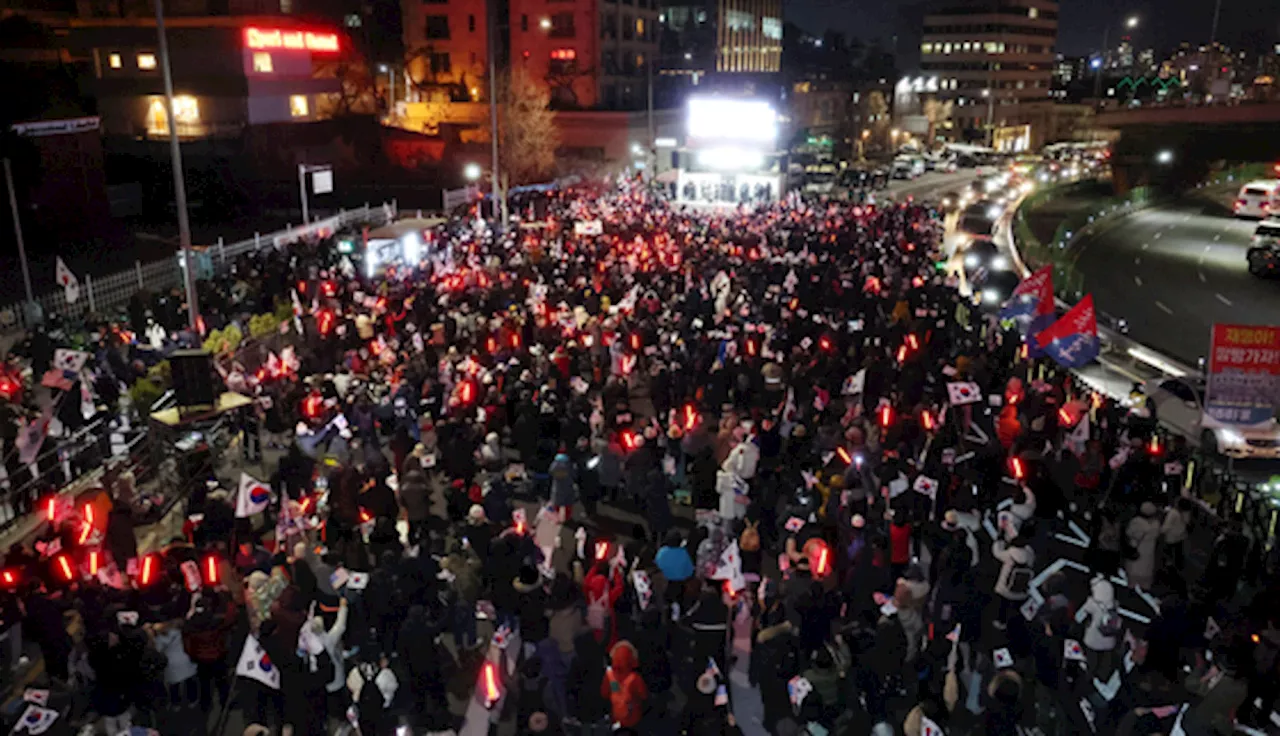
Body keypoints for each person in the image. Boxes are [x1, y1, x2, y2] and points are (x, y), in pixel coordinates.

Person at [601, 640, 648, 729]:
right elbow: (643, 695)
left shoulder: (610, 675)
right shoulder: (635, 678)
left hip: (616, 715)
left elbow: (605, 693)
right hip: (633, 717)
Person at [1125, 501, 1161, 591]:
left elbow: (1128, 533)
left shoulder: (1136, 522)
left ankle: (1132, 585)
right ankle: (1145, 587)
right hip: (1149, 552)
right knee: (1147, 569)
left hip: (1136, 549)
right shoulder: (1156, 524)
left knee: (1133, 569)